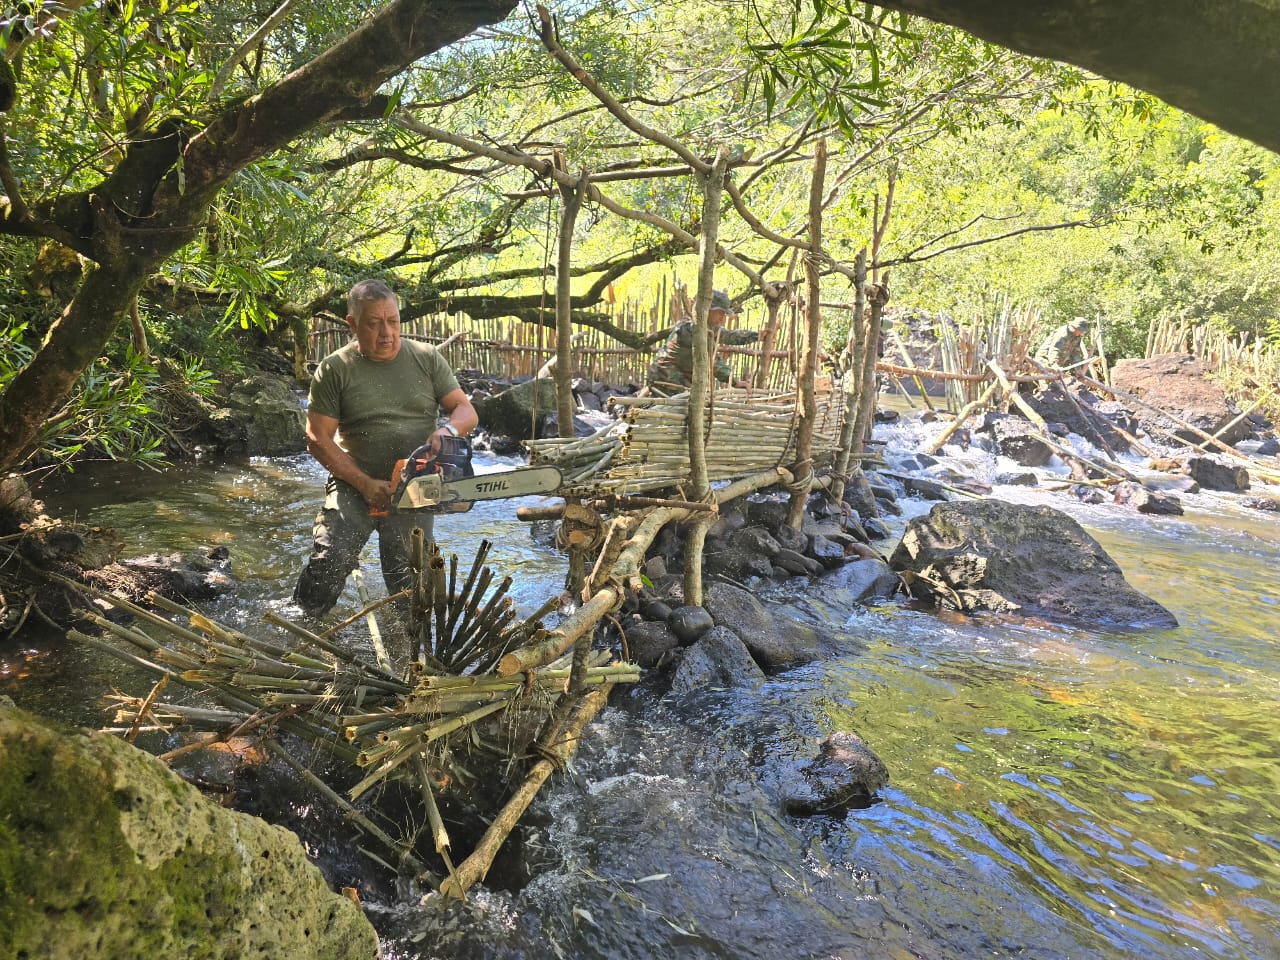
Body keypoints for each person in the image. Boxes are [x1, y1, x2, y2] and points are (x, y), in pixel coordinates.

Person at [293, 278, 478, 617]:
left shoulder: (426, 359)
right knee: (330, 561)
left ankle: (411, 654)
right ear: (352, 324)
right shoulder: (335, 369)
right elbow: (317, 438)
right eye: (374, 323)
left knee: (411, 588)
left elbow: (466, 411)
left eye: (392, 321)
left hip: (414, 485)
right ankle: (301, 627)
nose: (386, 333)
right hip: (353, 481)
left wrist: (447, 430)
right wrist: (364, 484)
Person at [644, 289, 760, 396]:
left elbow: (728, 335)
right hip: (667, 381)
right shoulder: (692, 329)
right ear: (707, 309)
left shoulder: (706, 327)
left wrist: (757, 336)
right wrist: (735, 382)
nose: (722, 318)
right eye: (720, 313)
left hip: (674, 382)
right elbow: (712, 362)